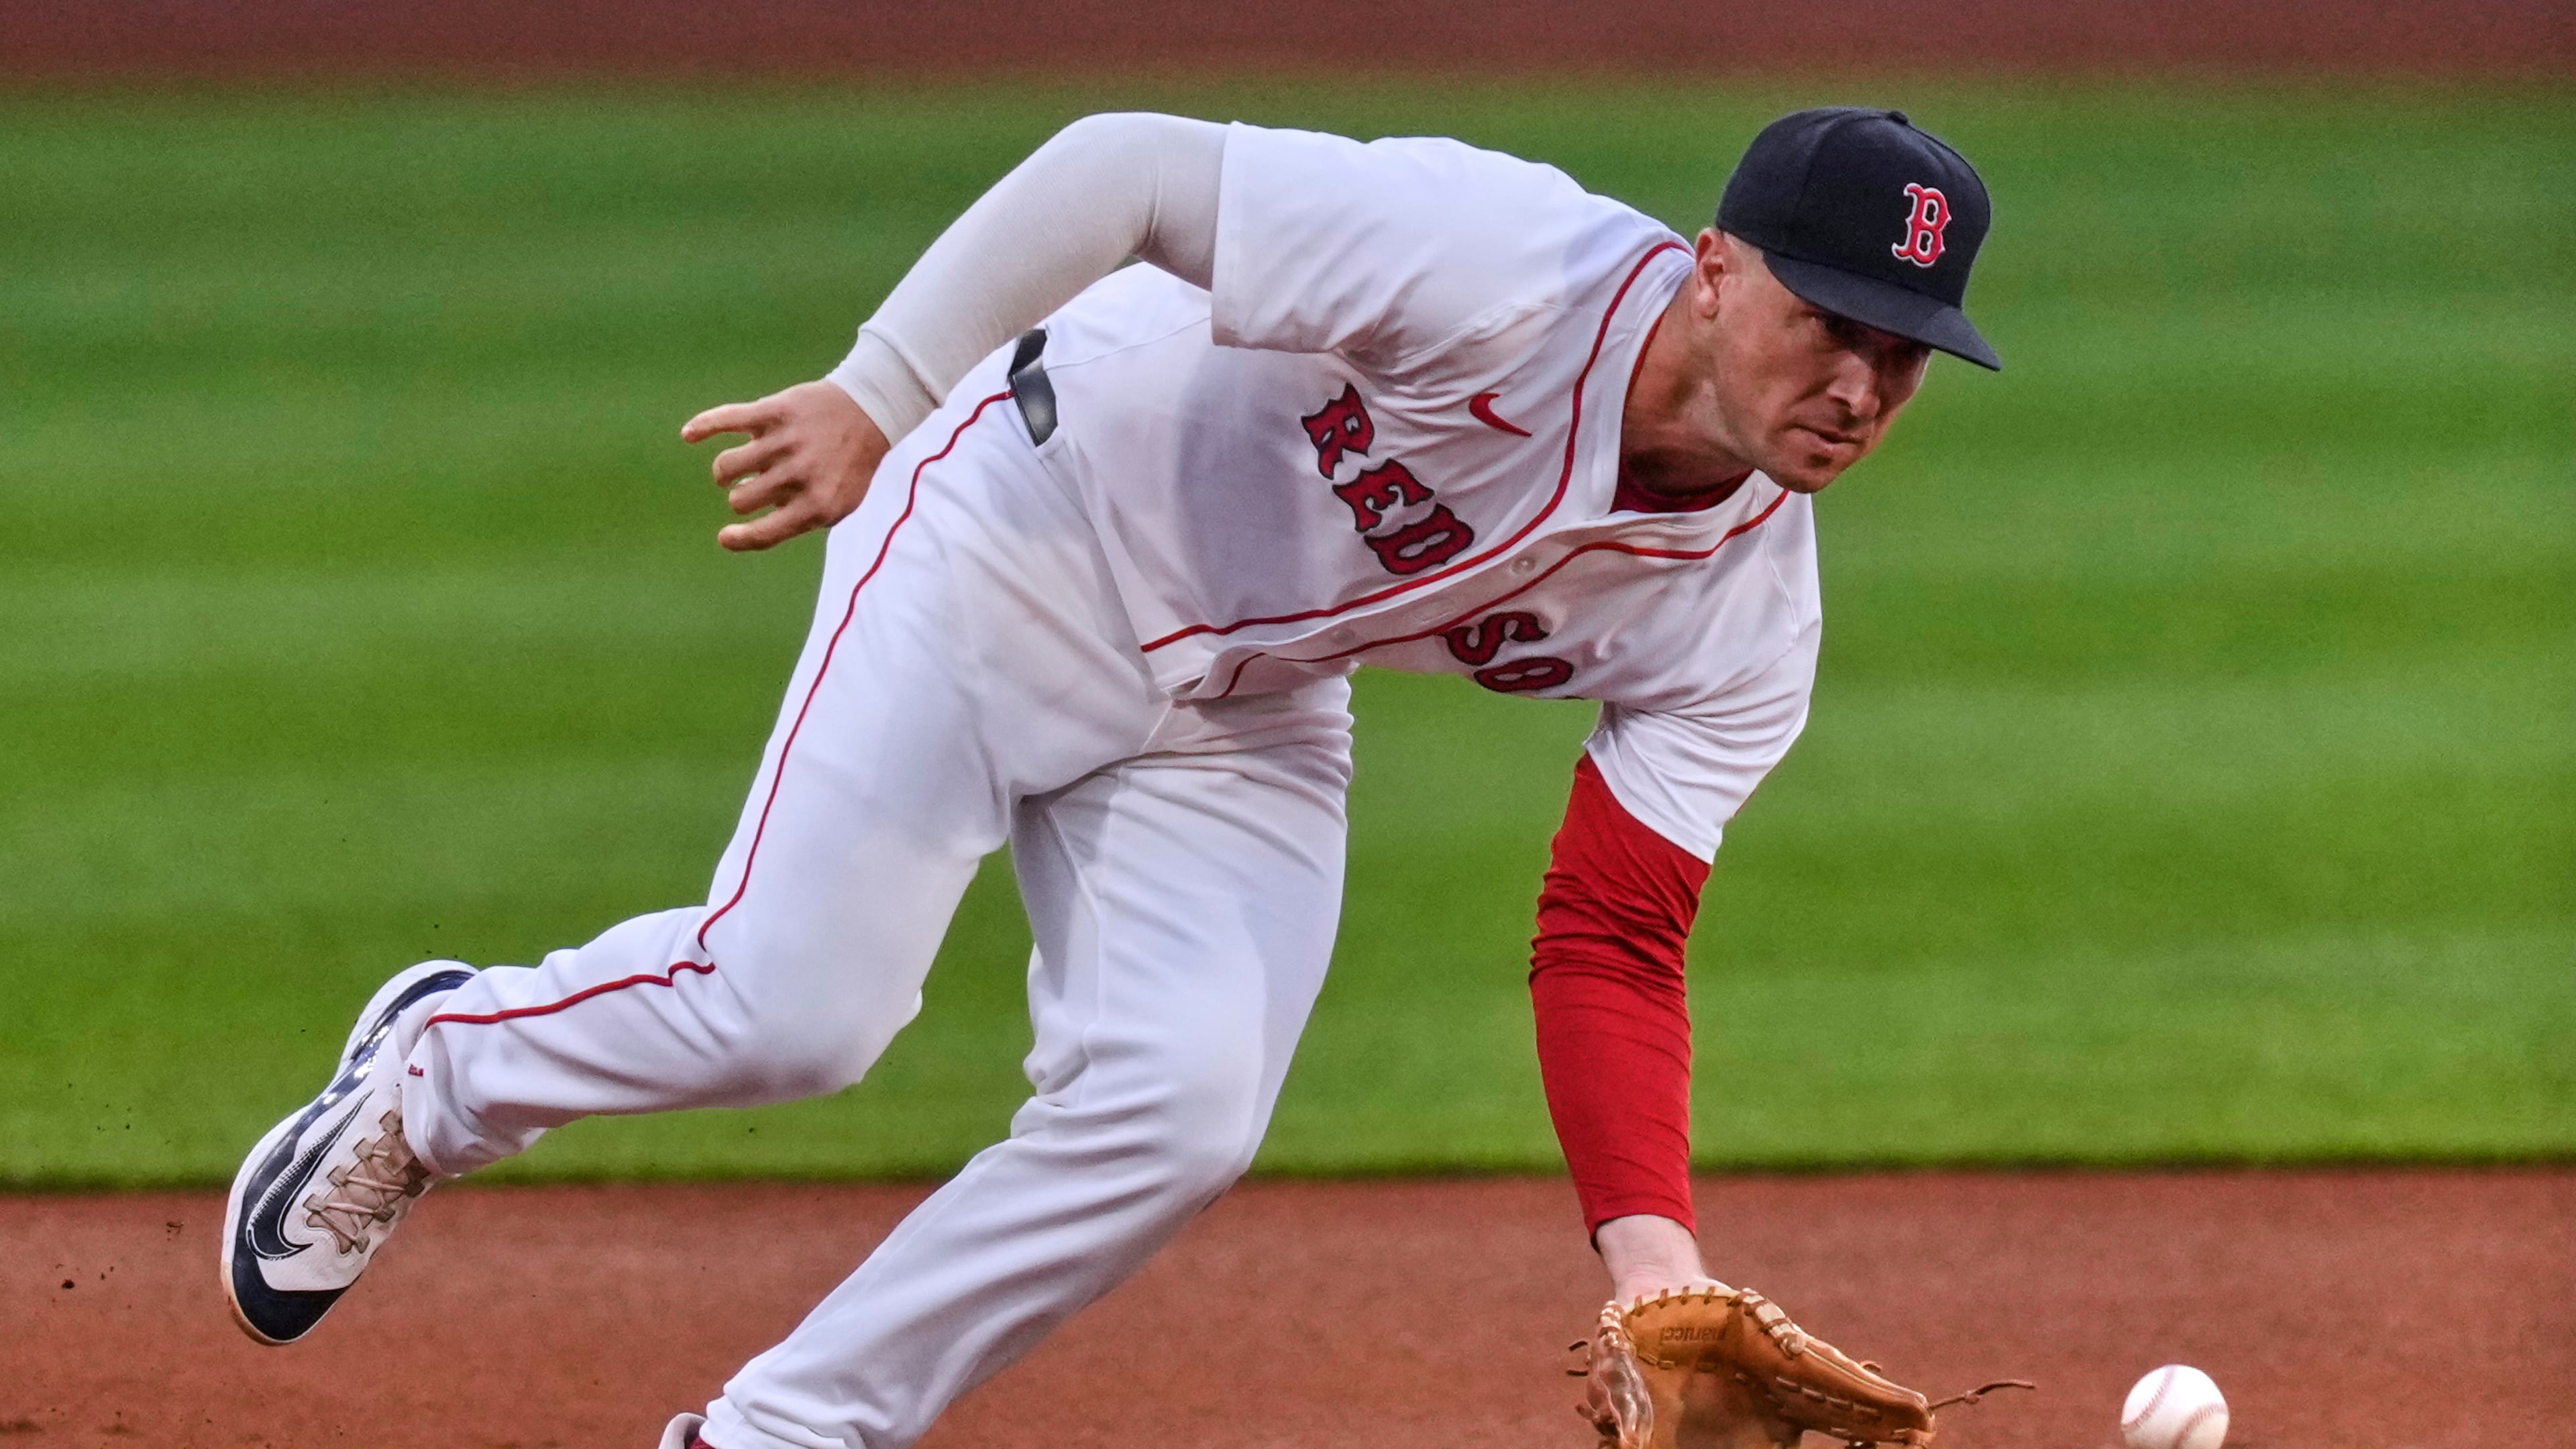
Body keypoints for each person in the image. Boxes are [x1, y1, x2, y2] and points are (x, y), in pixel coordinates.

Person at [221, 105, 1997, 1449]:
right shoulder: (1502, 261)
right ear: (1711, 268)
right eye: (1824, 322)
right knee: (796, 1016)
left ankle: (783, 1431)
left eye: (1900, 350)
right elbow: (1130, 171)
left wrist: (1654, 1268)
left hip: (1241, 693)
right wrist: (876, 388)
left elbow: (1613, 938)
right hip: (1018, 520)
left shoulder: (1752, 617)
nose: (1856, 381)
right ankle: (441, 1072)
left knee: (1183, 1104)